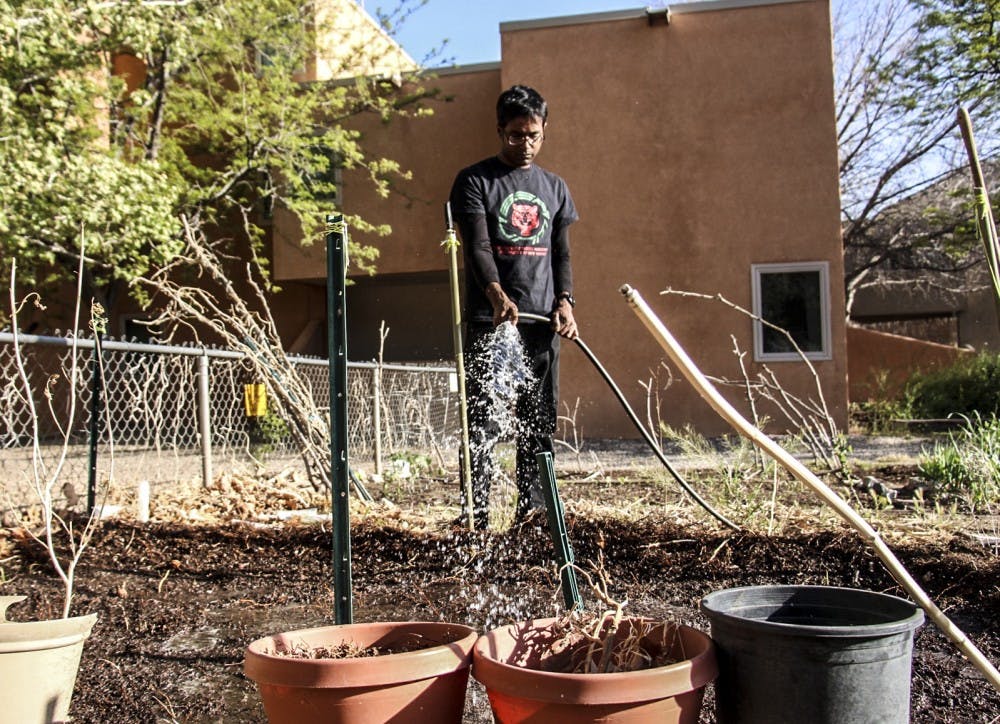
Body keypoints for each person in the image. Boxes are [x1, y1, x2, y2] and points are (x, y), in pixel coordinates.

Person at [449, 84, 579, 529]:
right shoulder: (475, 181)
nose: (525, 145)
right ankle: (477, 518)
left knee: (537, 421)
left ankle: (534, 518)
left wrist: (565, 302)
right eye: (515, 135)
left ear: (544, 131)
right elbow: (478, 247)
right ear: (499, 129)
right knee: (482, 421)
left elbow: (560, 253)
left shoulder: (555, 188)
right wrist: (495, 294)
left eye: (534, 135)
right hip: (492, 320)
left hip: (541, 323)